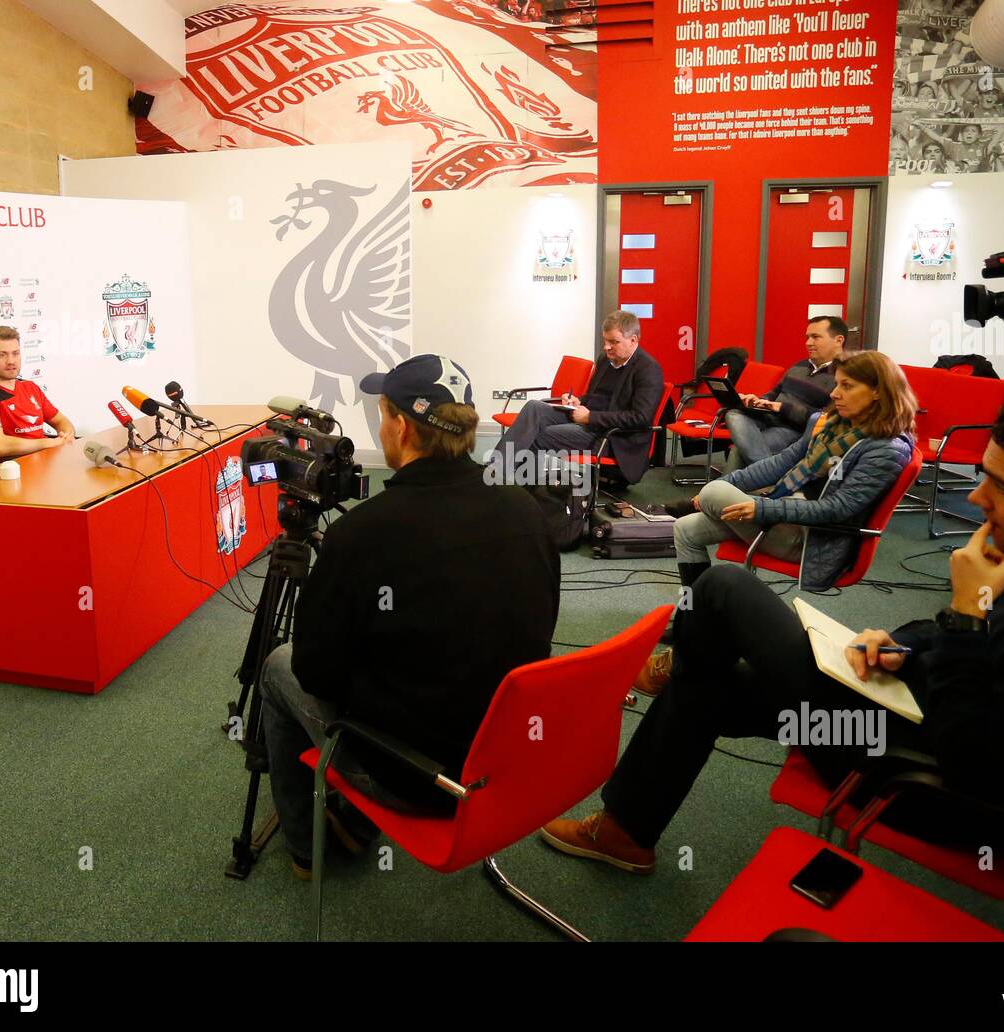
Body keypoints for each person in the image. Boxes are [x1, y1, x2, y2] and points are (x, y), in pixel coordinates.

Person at [540, 400, 1004, 874]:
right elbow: (965, 644)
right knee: (706, 686)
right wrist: (903, 644)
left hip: (934, 782)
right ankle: (626, 829)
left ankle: (648, 747)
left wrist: (960, 621)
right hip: (905, 710)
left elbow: (980, 759)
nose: (977, 498)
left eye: (1001, 486)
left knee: (722, 591)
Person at [259, 354, 560, 877]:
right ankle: (347, 825)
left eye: (381, 414)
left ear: (400, 425)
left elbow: (315, 670)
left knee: (278, 665)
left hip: (419, 777)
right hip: (509, 761)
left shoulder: (362, 534)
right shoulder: (527, 511)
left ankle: (312, 850)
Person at [647, 351, 916, 689]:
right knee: (686, 529)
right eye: (836, 385)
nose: (834, 394)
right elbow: (778, 464)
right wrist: (727, 486)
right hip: (786, 510)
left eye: (847, 386)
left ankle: (700, 507)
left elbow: (836, 510)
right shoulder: (829, 422)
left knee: (714, 495)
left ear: (878, 391)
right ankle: (693, 620)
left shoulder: (887, 448)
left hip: (812, 539)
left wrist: (761, 508)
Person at [491, 310, 664, 486]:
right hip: (589, 420)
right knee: (534, 407)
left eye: (614, 342)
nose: (606, 347)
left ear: (633, 340)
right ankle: (495, 471)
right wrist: (578, 401)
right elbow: (594, 396)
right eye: (605, 341)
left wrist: (590, 417)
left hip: (613, 437)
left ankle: (524, 490)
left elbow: (640, 418)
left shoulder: (648, 369)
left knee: (542, 436)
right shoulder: (605, 360)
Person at [723, 316, 850, 467]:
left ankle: (758, 476)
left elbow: (825, 418)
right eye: (807, 337)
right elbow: (775, 392)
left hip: (794, 429)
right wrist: (757, 401)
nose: (808, 343)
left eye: (816, 337)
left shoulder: (843, 376)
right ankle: (765, 476)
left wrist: (782, 407)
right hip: (769, 418)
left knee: (739, 450)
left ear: (838, 340)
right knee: (733, 414)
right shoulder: (800, 366)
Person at [0, 326, 75, 459]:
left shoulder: (30, 387)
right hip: (14, 468)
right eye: (2, 355)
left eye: (15, 353)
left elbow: (61, 421)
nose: (11, 361)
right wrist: (47, 443)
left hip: (47, 459)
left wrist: (66, 436)